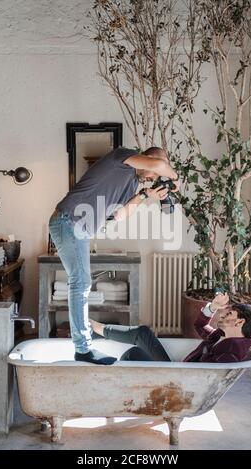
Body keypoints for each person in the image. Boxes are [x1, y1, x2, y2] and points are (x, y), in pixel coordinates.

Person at [49, 146, 179, 364]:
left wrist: (144, 195)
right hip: (68, 221)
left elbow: (119, 215)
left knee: (80, 282)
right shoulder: (121, 156)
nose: (154, 176)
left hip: (76, 227)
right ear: (147, 158)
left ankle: (83, 347)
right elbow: (159, 166)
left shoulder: (133, 182)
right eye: (155, 172)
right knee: (80, 282)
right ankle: (83, 349)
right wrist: (174, 177)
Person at [90, 292, 251, 363]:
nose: (222, 315)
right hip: (179, 370)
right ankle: (98, 330)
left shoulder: (232, 350)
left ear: (239, 322)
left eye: (228, 314)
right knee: (140, 338)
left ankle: (98, 329)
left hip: (179, 380)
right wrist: (212, 307)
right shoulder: (219, 336)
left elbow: (208, 375)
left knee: (136, 346)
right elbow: (200, 325)